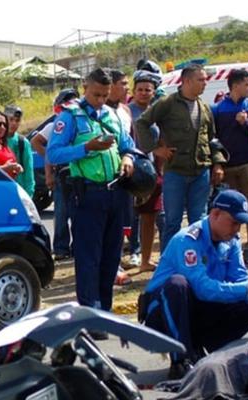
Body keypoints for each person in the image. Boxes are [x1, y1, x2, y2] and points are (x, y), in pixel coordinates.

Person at [138, 189, 248, 379]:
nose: (236, 229)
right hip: (162, 318)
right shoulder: (188, 240)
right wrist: (247, 289)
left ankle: (214, 352)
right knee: (177, 284)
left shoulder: (231, 242)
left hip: (197, 311)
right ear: (215, 214)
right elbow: (202, 288)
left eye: (239, 224)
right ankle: (180, 360)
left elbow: (240, 279)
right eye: (233, 222)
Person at [46, 68, 136, 328]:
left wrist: (128, 158)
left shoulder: (111, 114)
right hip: (87, 195)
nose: (100, 100)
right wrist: (86, 148)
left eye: (105, 95)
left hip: (115, 193)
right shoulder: (70, 116)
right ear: (85, 87)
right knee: (89, 259)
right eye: (96, 94)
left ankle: (104, 313)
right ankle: (90, 317)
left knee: (110, 257)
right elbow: (54, 153)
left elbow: (127, 144)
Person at [135, 64, 227, 247]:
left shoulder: (205, 107)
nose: (205, 83)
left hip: (201, 172)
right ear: (186, 81)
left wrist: (217, 164)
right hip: (175, 172)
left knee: (198, 222)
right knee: (172, 222)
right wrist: (155, 148)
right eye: (200, 79)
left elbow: (212, 139)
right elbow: (142, 123)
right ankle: (169, 264)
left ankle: (196, 261)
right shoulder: (167, 103)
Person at [211, 69, 248, 265]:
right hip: (227, 166)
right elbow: (213, 138)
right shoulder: (217, 109)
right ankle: (230, 244)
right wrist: (217, 163)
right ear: (235, 85)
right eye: (247, 84)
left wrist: (247, 123)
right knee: (228, 208)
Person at [31, 89, 80, 261]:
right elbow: (36, 142)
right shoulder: (54, 126)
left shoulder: (81, 124)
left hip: (78, 174)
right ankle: (60, 248)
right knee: (61, 213)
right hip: (61, 175)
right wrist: (49, 171)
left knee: (77, 213)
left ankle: (77, 247)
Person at [129, 69, 166, 272]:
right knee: (126, 220)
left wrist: (159, 170)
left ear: (154, 92)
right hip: (129, 170)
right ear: (134, 91)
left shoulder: (156, 113)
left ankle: (145, 260)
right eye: (140, 89)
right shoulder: (126, 112)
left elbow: (160, 141)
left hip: (150, 172)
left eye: (148, 90)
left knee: (149, 217)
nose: (144, 92)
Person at [106, 68, 137, 284]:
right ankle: (109, 266)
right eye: (123, 84)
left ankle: (117, 262)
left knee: (123, 223)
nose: (127, 88)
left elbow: (131, 142)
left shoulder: (125, 110)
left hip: (125, 176)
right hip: (104, 177)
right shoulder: (98, 112)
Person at [4, 105, 35, 197]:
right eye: (11, 119)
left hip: (19, 191)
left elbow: (29, 172)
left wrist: (29, 195)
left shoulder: (22, 142)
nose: (14, 123)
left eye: (17, 120)